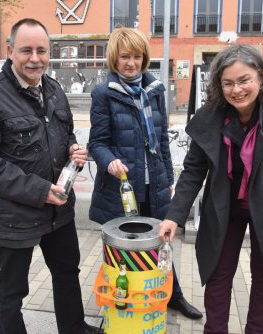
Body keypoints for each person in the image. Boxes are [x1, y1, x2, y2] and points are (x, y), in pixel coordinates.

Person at [159, 44, 263, 333]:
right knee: (218, 274)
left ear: (260, 78)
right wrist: (174, 215)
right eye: (228, 83)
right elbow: (193, 170)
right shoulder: (210, 115)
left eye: (244, 80)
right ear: (219, 85)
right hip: (224, 207)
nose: (237, 90)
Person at [0, 18, 102, 334]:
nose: (35, 58)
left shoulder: (53, 90)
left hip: (59, 210)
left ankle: (74, 328)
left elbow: (64, 135)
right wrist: (39, 190)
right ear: (10, 50)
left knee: (67, 272)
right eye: (26, 50)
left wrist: (73, 152)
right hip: (15, 215)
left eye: (42, 50)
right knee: (13, 290)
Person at [87, 27, 202, 320]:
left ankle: (172, 295)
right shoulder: (103, 94)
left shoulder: (154, 91)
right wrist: (109, 161)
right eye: (125, 57)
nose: (131, 63)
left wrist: (169, 180)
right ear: (115, 58)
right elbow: (97, 143)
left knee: (161, 245)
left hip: (155, 186)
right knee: (126, 251)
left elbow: (161, 139)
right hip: (123, 189)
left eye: (137, 56)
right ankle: (125, 301)